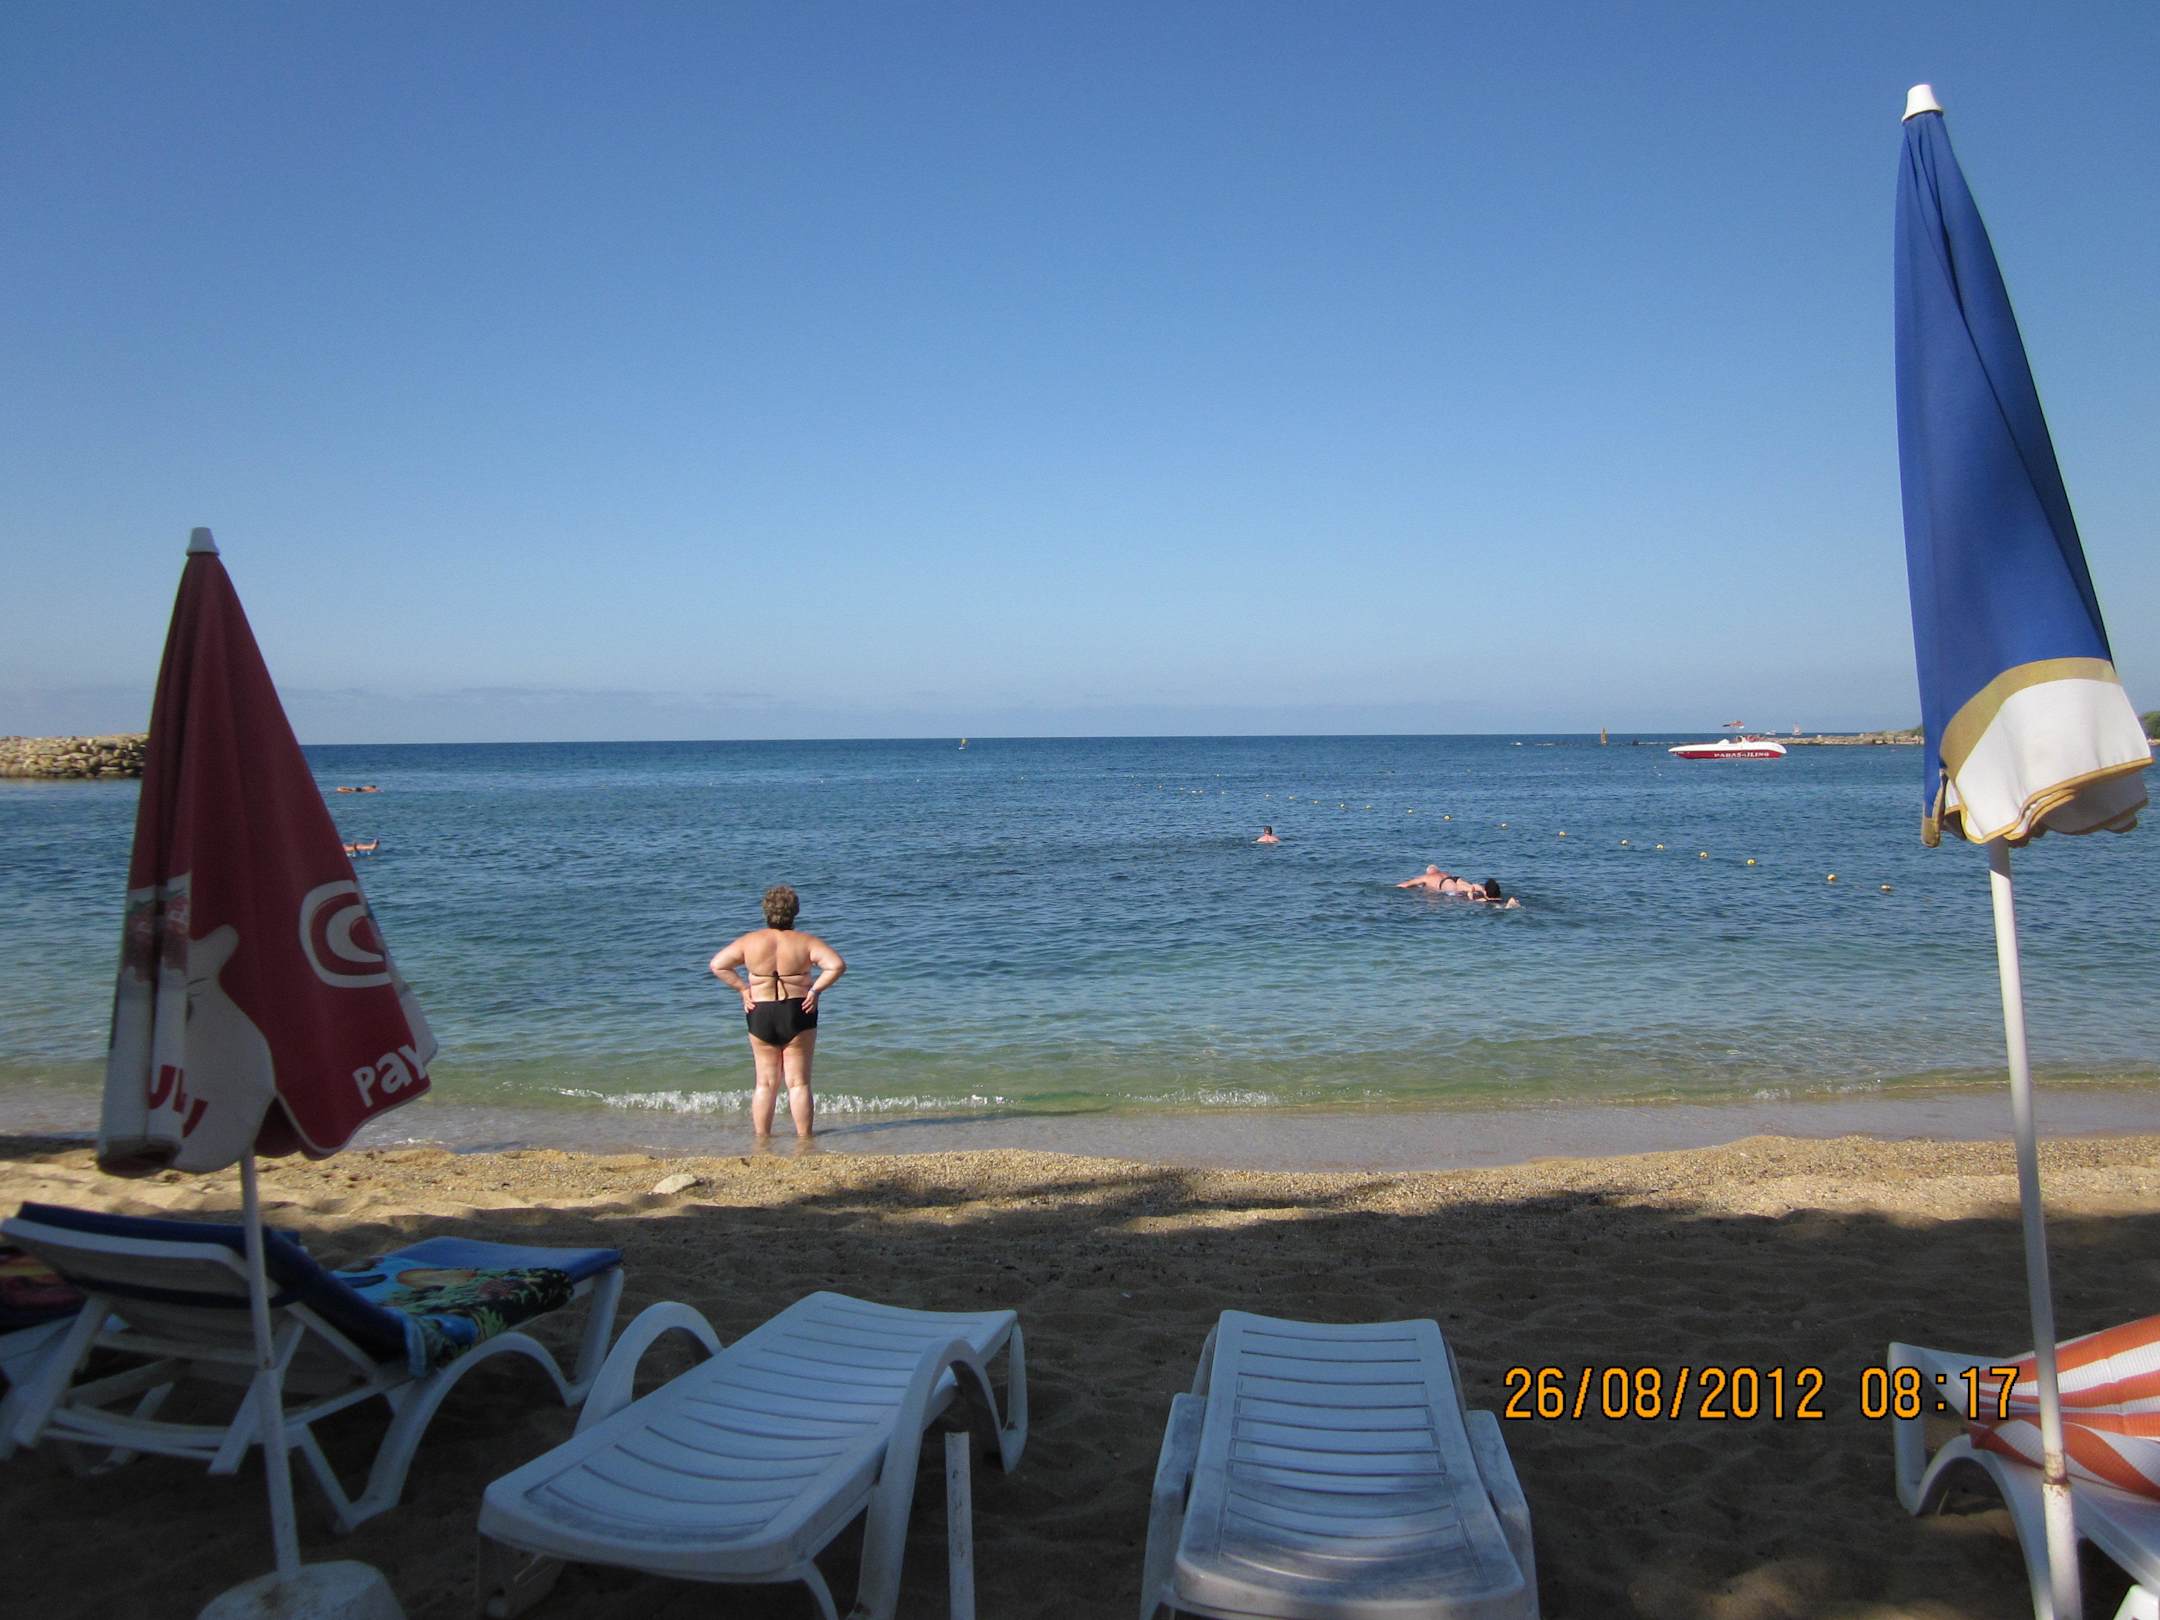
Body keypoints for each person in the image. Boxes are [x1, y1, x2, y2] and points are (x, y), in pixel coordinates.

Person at [709, 884, 846, 1139]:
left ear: (766, 912)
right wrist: (815, 991)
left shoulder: (750, 941)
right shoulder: (805, 941)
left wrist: (742, 988)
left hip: (760, 1011)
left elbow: (718, 965)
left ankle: (762, 1139)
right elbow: (836, 965)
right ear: (795, 912)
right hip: (798, 1009)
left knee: (765, 1082)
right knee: (798, 1082)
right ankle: (804, 1139)